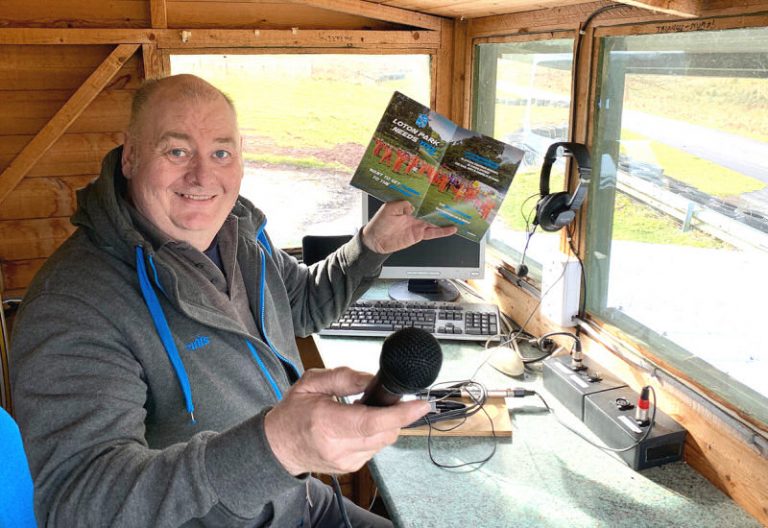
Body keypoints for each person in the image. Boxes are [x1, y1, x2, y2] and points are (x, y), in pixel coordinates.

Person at [10, 74, 457, 527]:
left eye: (220, 152)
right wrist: (277, 446)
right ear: (131, 157)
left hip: (297, 501)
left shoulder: (239, 234)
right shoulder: (74, 302)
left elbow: (302, 304)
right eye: (177, 151)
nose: (202, 175)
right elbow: (79, 505)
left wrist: (371, 245)